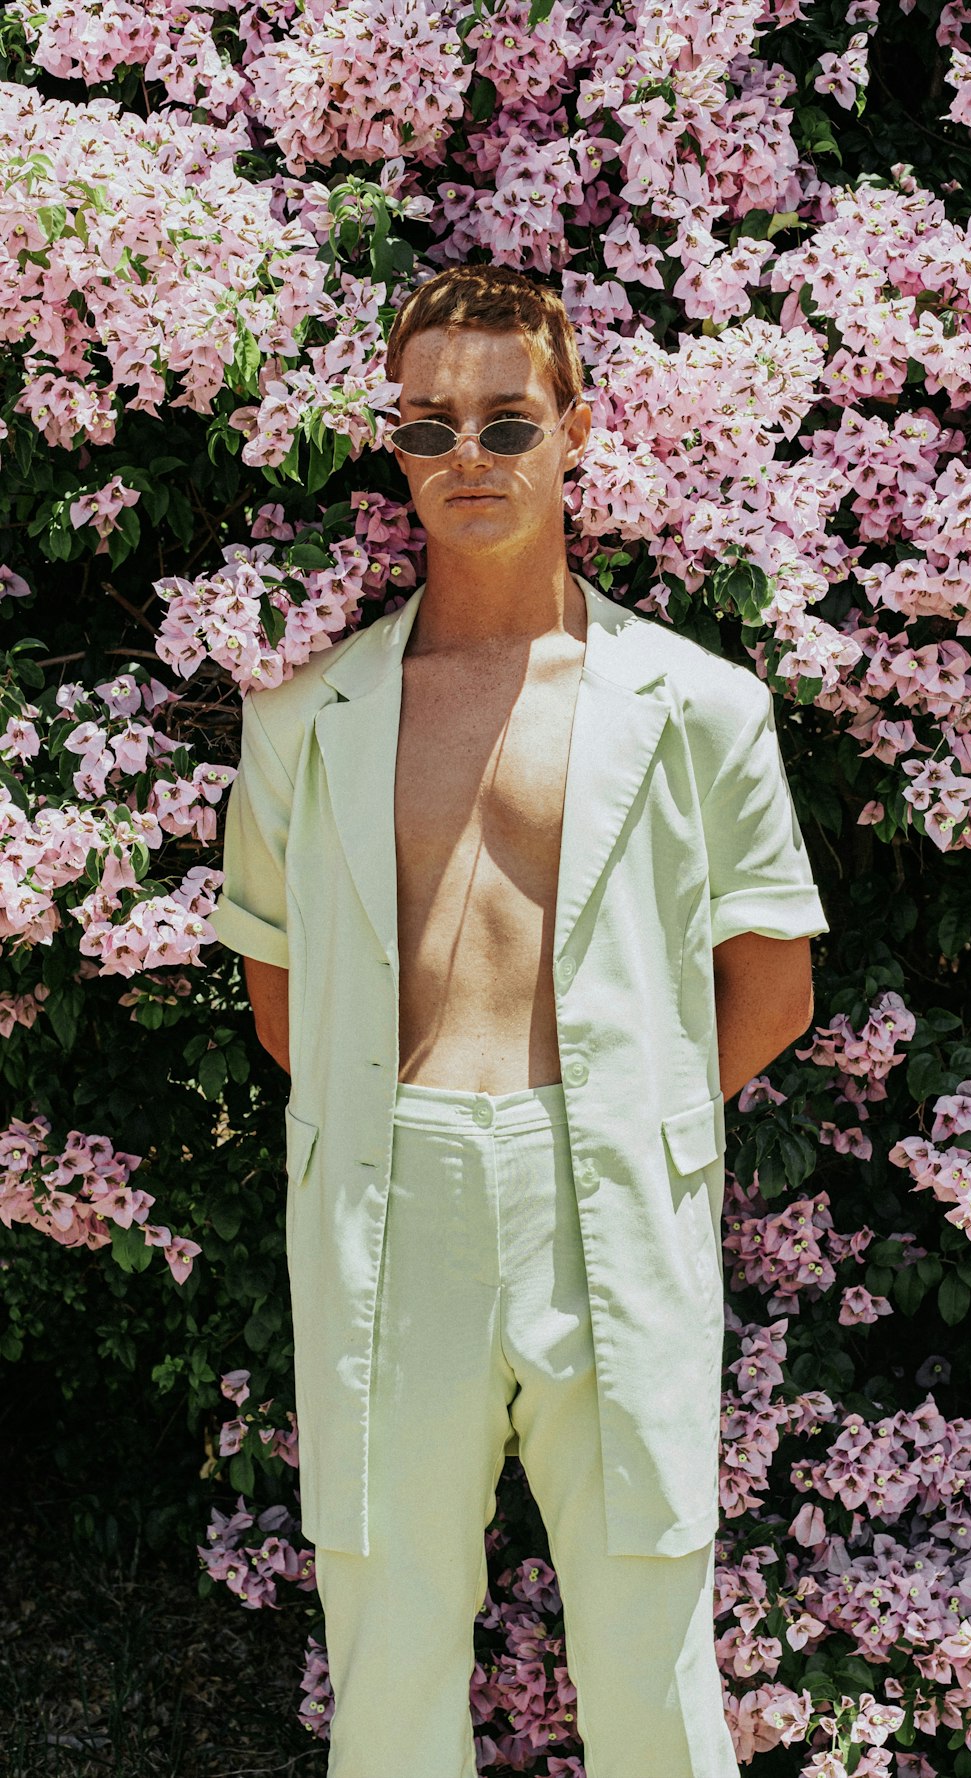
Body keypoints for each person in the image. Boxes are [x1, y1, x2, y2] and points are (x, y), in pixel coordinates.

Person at [211, 263, 830, 1777]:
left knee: (651, 1647)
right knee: (391, 1639)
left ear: (575, 432)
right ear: (394, 447)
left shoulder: (698, 706)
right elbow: (287, 999)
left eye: (505, 419)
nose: (467, 457)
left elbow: (774, 987)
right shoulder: (306, 721)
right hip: (385, 1195)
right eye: (429, 427)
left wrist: (625, 1112)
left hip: (612, 1184)